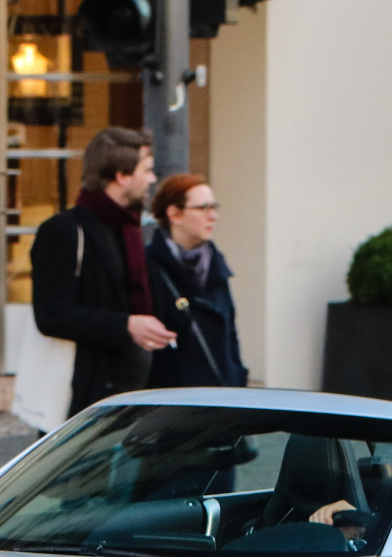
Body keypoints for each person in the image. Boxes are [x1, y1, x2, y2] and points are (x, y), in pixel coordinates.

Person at [31, 126, 174, 416]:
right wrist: (127, 325)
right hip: (86, 400)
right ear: (121, 175)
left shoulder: (133, 230)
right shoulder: (64, 231)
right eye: (146, 170)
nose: (152, 179)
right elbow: (51, 315)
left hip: (136, 396)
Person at [143, 173, 247, 390]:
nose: (213, 216)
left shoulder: (216, 265)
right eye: (203, 208)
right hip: (175, 401)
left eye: (214, 207)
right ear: (174, 214)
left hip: (220, 398)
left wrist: (237, 377)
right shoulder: (149, 266)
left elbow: (230, 336)